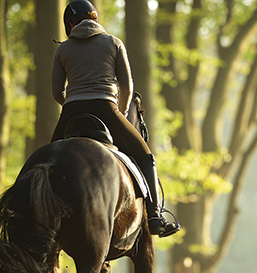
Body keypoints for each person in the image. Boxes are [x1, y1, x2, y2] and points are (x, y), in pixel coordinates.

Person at [50, 0, 179, 238]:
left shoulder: (62, 50)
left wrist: (71, 102)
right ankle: (154, 216)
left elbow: (57, 93)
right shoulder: (113, 43)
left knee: (44, 164)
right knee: (145, 155)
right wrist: (119, 112)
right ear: (95, 17)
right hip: (106, 109)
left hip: (71, 111)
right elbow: (127, 87)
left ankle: (29, 219)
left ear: (70, 24)